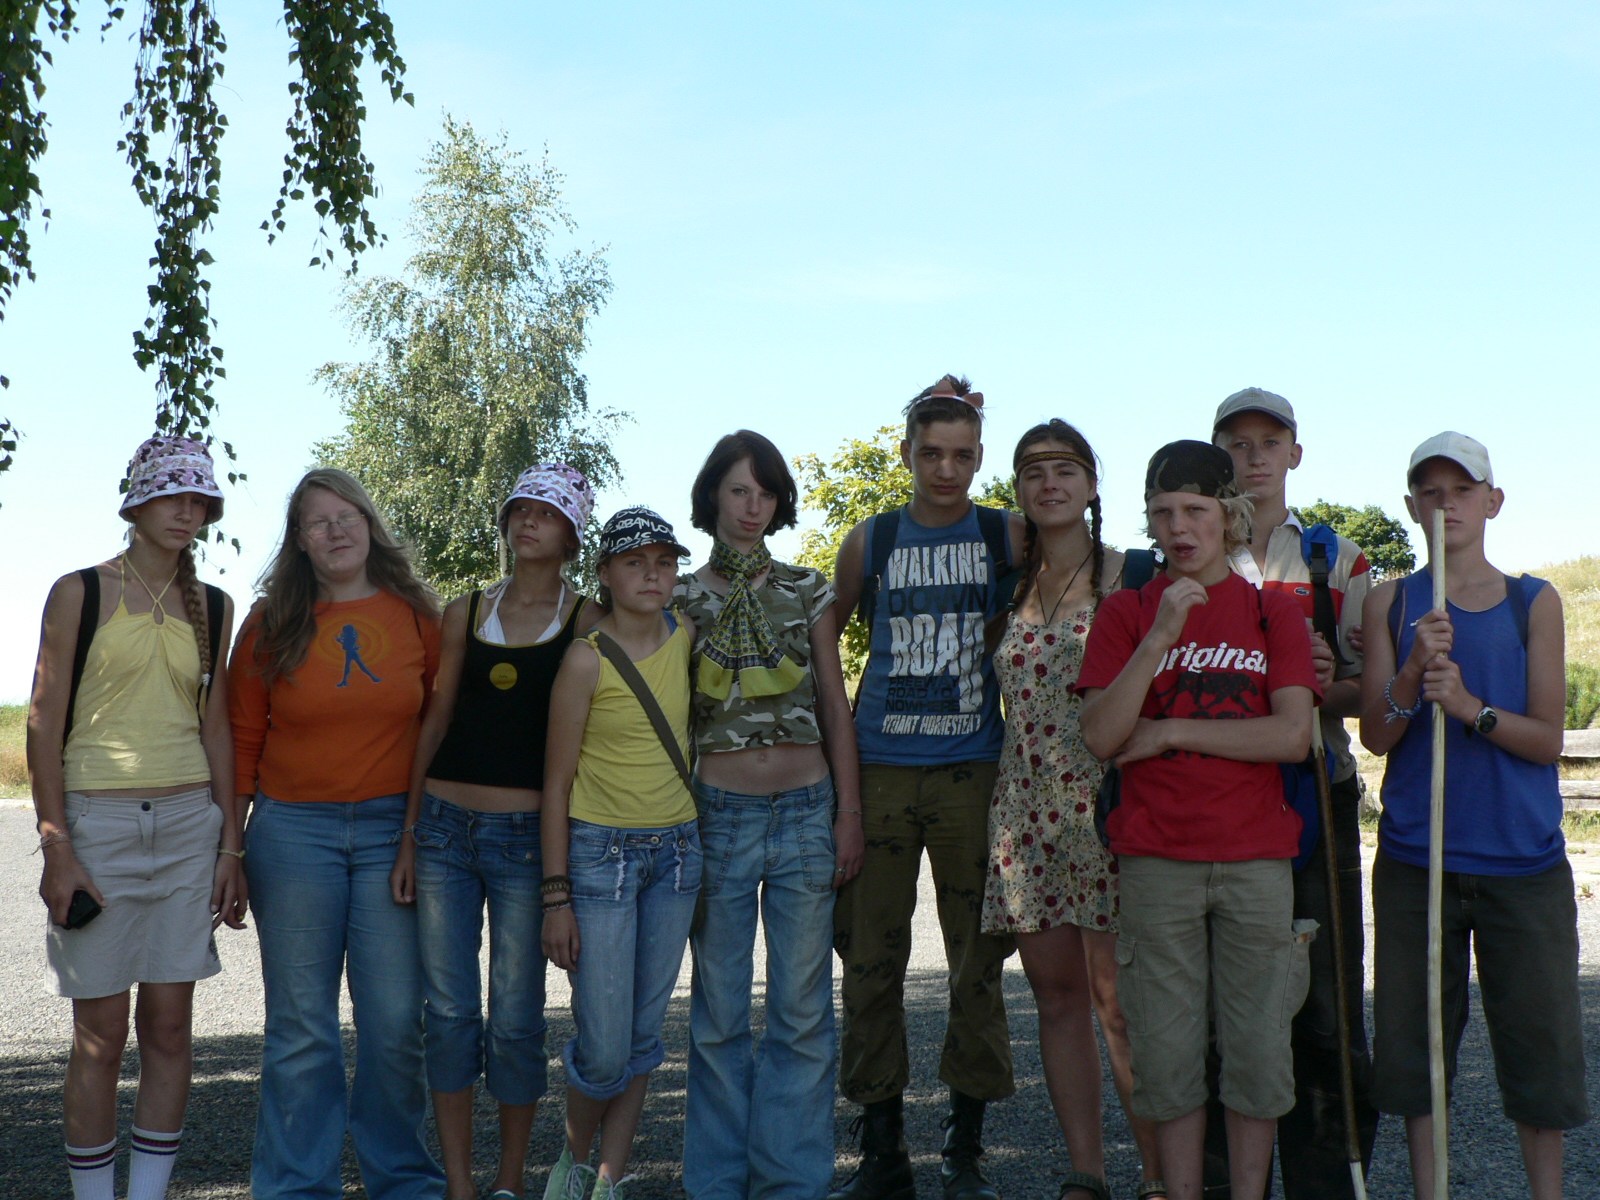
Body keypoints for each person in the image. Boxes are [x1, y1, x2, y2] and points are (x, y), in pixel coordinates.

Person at [1077, 440, 1319, 1200]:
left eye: (1194, 510)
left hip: (1256, 860)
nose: (1179, 528)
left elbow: (1292, 736)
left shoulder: (1272, 610)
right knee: (1167, 1059)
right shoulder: (1126, 612)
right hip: (1156, 859)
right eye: (1162, 513)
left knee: (1257, 1055)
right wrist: (1159, 637)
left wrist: (1171, 732)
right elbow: (1101, 735)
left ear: (1230, 516)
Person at [1359, 432, 1586, 1200]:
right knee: (1416, 1053)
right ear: (1411, 505)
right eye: (1430, 490)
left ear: (1493, 502)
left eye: (1461, 490)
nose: (1445, 503)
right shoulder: (1391, 601)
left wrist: (1468, 707)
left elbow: (1547, 740)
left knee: (1541, 1053)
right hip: (1416, 861)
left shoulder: (1534, 601)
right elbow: (1377, 734)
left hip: (1523, 861)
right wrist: (1412, 671)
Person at [27, 436, 245, 1200]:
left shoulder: (215, 606)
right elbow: (42, 724)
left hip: (189, 828)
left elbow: (217, 729)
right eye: (171, 496)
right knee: (98, 1036)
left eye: (200, 501)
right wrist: (56, 845)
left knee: (169, 1028)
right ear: (137, 503)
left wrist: (232, 844)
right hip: (97, 827)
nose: (187, 512)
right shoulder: (79, 592)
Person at [830, 375, 1023, 1200]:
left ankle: (964, 1150)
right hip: (879, 769)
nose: (947, 469)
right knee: (869, 959)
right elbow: (823, 641)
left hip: (971, 771)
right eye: (932, 453)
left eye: (963, 455)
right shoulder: (869, 540)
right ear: (906, 453)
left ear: (980, 459)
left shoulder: (1005, 533)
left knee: (977, 961)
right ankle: (882, 1153)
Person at [229, 468, 445, 1200]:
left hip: (393, 832)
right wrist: (231, 848)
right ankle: (296, 1185)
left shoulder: (417, 616)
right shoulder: (270, 623)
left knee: (395, 1022)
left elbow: (440, 727)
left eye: (348, 514)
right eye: (318, 521)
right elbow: (242, 739)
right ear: (299, 539)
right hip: (292, 833)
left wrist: (419, 830)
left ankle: (402, 1178)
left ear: (370, 524)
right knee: (301, 1027)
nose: (336, 530)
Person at [389, 464, 597, 1200]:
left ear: (572, 536)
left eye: (548, 512)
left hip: (526, 838)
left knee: (515, 1019)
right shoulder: (465, 610)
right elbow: (436, 719)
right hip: (444, 832)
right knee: (447, 1014)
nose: (528, 521)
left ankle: (509, 1182)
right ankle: (459, 1185)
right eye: (520, 509)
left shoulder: (589, 620)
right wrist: (410, 831)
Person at [674, 431, 864, 1200]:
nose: (753, 507)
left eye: (766, 493)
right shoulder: (682, 598)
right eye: (739, 491)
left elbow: (834, 705)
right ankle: (718, 1185)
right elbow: (671, 716)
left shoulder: (808, 587)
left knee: (801, 1013)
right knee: (719, 1014)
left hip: (806, 814)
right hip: (717, 816)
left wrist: (849, 813)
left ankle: (791, 1185)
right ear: (712, 498)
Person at [981, 420, 1163, 1200]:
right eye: (1033, 471)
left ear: (1092, 485)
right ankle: (1086, 1171)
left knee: (1120, 1004)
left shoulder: (1134, 574)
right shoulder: (1007, 584)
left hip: (1109, 810)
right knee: (1056, 1000)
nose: (1049, 482)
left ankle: (1159, 1175)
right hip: (1024, 815)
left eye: (1065, 469)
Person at [1212, 387, 1378, 1198]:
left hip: (1315, 788)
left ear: (1295, 454)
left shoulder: (1338, 559)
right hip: (1214, 797)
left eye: (1268, 442)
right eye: (1237, 443)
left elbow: (1370, 690)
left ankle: (1329, 1184)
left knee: (1327, 1008)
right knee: (1218, 1010)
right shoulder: (1187, 550)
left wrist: (1323, 682)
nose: (1253, 457)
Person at [540, 507, 703, 1200]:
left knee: (642, 1035)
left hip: (678, 855)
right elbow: (556, 782)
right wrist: (556, 896)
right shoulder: (586, 658)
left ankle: (608, 1179)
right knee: (604, 1044)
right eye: (635, 562)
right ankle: (572, 1162)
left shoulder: (686, 634)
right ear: (605, 573)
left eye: (664, 562)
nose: (652, 574)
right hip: (599, 855)